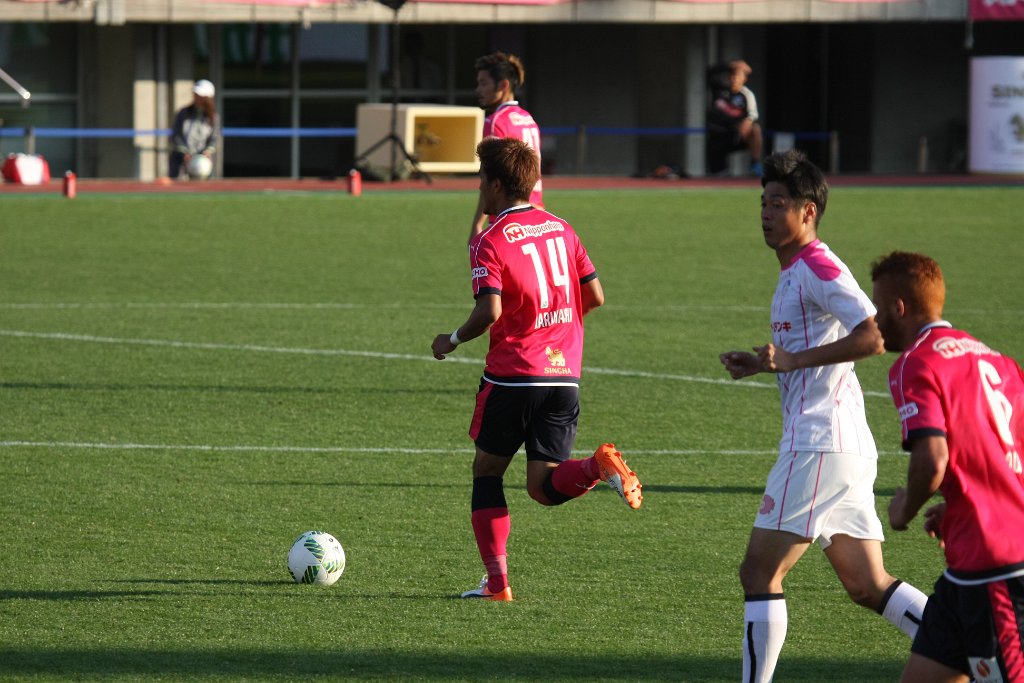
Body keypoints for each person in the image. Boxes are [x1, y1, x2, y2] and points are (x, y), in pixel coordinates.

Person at [718, 149, 927, 682]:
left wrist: (791, 360)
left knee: (759, 572)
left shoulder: (818, 265)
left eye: (778, 203)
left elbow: (874, 334)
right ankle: (977, 647)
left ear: (808, 211)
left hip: (819, 443)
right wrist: (765, 365)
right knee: (868, 585)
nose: (766, 213)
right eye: (763, 202)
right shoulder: (795, 271)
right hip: (841, 444)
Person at [432, 136, 642, 602]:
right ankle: (595, 465)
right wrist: (555, 329)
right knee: (543, 488)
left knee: (487, 472)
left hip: (513, 376)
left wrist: (451, 340)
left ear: (497, 185)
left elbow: (488, 311)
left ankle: (497, 584)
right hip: (563, 378)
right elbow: (595, 296)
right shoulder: (561, 228)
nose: (479, 189)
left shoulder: (489, 240)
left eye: (481, 180)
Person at [870, 251, 1024, 683]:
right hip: (966, 571)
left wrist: (904, 509)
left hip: (996, 566)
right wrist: (961, 504)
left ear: (899, 308)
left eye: (878, 308)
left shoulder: (915, 363)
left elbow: (932, 459)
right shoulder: (999, 361)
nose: (875, 320)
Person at [469, 52, 542, 243]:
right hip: (536, 214)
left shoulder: (495, 122)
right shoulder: (528, 119)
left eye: (483, 83)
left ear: (503, 85)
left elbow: (490, 177)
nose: (478, 90)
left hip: (508, 219)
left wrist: (477, 224)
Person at [706, 59, 763, 177]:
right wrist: (731, 65)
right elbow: (710, 72)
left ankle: (754, 164)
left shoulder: (747, 94)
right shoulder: (719, 89)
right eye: (732, 75)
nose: (734, 79)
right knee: (719, 176)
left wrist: (746, 122)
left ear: (744, 79)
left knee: (755, 129)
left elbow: (752, 115)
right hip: (717, 137)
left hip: (736, 136)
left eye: (738, 76)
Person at [169, 79, 218, 180]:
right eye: (195, 95)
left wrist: (207, 151)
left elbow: (214, 138)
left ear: (208, 98)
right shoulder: (184, 113)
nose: (197, 98)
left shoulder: (213, 117)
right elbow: (176, 135)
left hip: (202, 161)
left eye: (200, 96)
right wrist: (184, 153)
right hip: (181, 160)